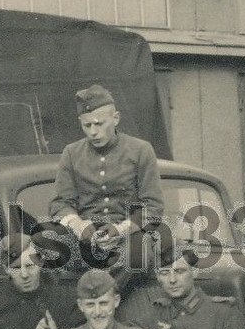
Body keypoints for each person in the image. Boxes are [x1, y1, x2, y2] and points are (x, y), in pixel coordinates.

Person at [42, 84, 164, 269]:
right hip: (84, 237)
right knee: (42, 240)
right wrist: (78, 225)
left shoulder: (141, 150)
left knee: (140, 253)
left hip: (128, 235)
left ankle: (105, 292)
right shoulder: (71, 153)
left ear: (115, 119)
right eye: (87, 125)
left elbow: (153, 206)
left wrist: (121, 230)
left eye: (99, 124)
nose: (93, 132)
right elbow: (60, 204)